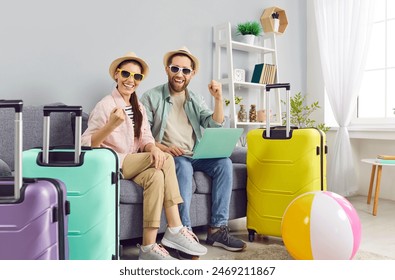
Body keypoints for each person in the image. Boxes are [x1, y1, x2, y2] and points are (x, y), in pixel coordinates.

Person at [81, 52, 207, 260]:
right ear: (116, 75)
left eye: (137, 77)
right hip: (112, 163)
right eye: (126, 74)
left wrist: (155, 148)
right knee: (167, 159)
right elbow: (86, 144)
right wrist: (111, 125)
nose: (131, 80)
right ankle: (176, 227)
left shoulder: (137, 106)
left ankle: (147, 247)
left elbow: (146, 138)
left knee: (156, 176)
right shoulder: (105, 105)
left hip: (132, 162)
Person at [140, 46, 247, 252]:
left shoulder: (195, 98)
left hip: (195, 154)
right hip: (170, 156)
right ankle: (185, 231)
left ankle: (217, 229)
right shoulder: (151, 97)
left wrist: (218, 98)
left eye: (185, 70)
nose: (180, 74)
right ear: (167, 69)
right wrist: (164, 148)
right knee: (182, 167)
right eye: (175, 69)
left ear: (192, 74)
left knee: (224, 163)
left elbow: (213, 125)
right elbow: (143, 135)